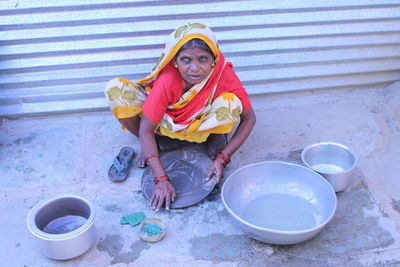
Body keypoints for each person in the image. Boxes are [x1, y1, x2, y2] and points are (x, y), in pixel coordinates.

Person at [105, 23, 256, 211]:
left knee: (231, 104)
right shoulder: (169, 79)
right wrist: (160, 178)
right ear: (175, 61)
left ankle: (213, 139)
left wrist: (223, 158)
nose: (195, 68)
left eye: (203, 59)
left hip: (199, 124)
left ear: (214, 60)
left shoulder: (223, 73)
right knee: (116, 90)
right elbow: (145, 127)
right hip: (163, 124)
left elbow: (250, 119)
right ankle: (151, 144)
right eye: (186, 60)